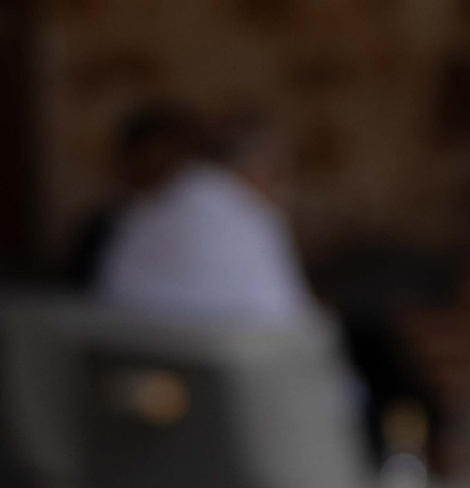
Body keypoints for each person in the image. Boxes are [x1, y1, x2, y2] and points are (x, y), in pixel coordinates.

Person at [92, 107, 320, 327]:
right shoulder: (250, 217)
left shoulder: (140, 214)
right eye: (278, 174)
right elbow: (290, 323)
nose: (283, 190)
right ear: (258, 171)